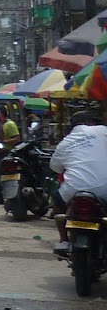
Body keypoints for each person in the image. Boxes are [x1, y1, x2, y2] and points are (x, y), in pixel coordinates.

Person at [50, 108, 107, 254]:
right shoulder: (103, 131)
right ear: (90, 122)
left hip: (73, 191)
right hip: (104, 190)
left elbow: (55, 167)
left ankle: (64, 240)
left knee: (56, 198)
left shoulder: (66, 142)